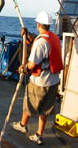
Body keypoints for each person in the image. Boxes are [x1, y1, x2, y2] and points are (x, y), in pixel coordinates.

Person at [12, 11, 63, 145]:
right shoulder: (54, 38)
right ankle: (39, 135)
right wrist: (27, 36)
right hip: (54, 81)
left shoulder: (40, 42)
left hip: (40, 81)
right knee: (45, 109)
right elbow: (43, 46)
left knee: (29, 103)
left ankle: (22, 125)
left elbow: (33, 63)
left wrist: (23, 68)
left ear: (38, 24)